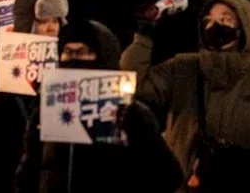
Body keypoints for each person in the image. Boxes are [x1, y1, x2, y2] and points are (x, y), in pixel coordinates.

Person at [121, 0, 250, 193]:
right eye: (209, 20)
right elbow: (133, 85)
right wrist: (143, 38)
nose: (215, 26)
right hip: (186, 184)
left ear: (245, 27)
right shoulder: (183, 68)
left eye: (225, 19)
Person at [16, 17, 183, 193]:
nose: (74, 58)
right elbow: (29, 172)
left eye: (82, 51)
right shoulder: (45, 108)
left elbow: (169, 177)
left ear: (103, 56)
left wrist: (135, 135)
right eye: (67, 51)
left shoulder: (132, 113)